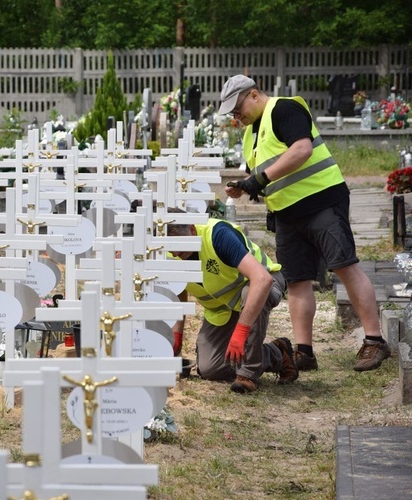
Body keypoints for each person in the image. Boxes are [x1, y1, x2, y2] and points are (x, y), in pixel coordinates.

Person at [220, 74, 390, 372]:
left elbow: (302, 150)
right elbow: (264, 174)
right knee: (297, 281)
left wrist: (257, 180)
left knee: (344, 266)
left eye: (238, 109)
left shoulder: (284, 109)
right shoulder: (250, 135)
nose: (237, 117)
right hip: (287, 214)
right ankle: (304, 351)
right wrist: (246, 186)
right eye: (233, 113)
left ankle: (375, 341)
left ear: (255, 94)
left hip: (321, 201)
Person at [167, 211, 298, 393]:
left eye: (178, 245)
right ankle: (277, 353)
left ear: (191, 229)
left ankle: (248, 374)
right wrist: (176, 333)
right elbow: (178, 289)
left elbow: (262, 280)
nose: (175, 252)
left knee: (250, 292)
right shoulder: (168, 252)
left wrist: (241, 330)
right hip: (223, 309)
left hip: (260, 286)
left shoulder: (217, 235)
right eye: (170, 247)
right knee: (210, 368)